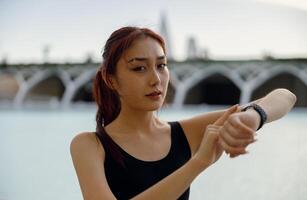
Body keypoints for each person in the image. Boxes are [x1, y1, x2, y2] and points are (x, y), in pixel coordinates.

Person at [70, 26, 297, 200]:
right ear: (111, 80)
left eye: (161, 65)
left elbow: (285, 96)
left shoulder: (186, 132)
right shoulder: (90, 145)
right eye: (139, 68)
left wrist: (251, 116)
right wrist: (198, 162)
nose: (155, 79)